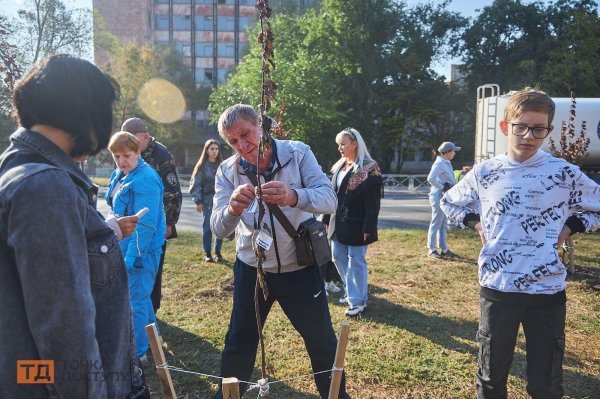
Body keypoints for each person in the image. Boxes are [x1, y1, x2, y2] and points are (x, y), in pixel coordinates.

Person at [0, 54, 147, 398]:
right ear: (88, 114)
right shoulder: (46, 186)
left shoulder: (17, 170)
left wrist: (107, 232)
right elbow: (64, 331)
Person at [441, 87, 600, 399]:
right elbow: (449, 203)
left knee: (545, 385)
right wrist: (475, 224)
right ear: (505, 127)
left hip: (546, 292)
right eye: (521, 127)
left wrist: (574, 224)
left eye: (538, 129)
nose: (529, 135)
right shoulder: (485, 172)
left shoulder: (564, 174)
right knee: (490, 382)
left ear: (549, 131)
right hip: (498, 289)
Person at [210, 104, 350, 399]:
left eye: (246, 134)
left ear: (260, 125)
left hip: (300, 268)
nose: (243, 146)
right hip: (252, 269)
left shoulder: (297, 153)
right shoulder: (227, 170)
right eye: (233, 142)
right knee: (239, 341)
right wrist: (232, 209)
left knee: (321, 341)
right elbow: (218, 228)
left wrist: (293, 196)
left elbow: (329, 200)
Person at [105, 131, 167, 363]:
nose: (121, 161)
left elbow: (146, 225)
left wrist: (132, 257)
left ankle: (138, 353)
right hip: (124, 245)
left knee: (135, 300)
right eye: (116, 156)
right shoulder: (120, 174)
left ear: (139, 152)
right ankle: (153, 341)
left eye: (126, 155)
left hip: (142, 251)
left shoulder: (146, 178)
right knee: (141, 297)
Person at [121, 117, 182, 314]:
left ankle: (151, 310)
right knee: (134, 269)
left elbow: (172, 192)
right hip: (131, 221)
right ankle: (137, 308)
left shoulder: (161, 154)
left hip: (155, 222)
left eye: (134, 140)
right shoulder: (129, 153)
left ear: (145, 137)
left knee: (151, 268)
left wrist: (170, 223)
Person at [322, 128, 383, 317]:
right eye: (338, 144)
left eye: (343, 144)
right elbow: (332, 195)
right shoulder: (341, 165)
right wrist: (325, 218)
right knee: (337, 256)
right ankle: (351, 291)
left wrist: (369, 226)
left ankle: (358, 302)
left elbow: (373, 202)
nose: (340, 148)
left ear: (354, 143)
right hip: (336, 221)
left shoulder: (369, 167)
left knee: (356, 261)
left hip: (358, 222)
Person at [190, 139, 224, 262]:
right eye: (212, 149)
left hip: (221, 200)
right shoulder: (202, 166)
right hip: (207, 200)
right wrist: (198, 201)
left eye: (216, 148)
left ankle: (218, 252)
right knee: (208, 227)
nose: (214, 151)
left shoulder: (223, 165)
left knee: (220, 226)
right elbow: (196, 184)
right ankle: (207, 253)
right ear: (207, 150)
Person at [426, 141, 460, 259]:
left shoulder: (446, 162)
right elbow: (430, 178)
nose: (455, 153)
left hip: (445, 195)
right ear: (448, 152)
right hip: (438, 195)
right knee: (436, 222)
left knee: (443, 223)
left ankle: (444, 249)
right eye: (454, 151)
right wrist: (442, 186)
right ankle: (431, 250)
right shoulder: (440, 162)